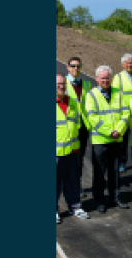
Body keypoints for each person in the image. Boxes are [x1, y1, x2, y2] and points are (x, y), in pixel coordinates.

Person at [83, 65, 131, 213]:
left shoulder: (118, 93)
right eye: (102, 78)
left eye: (107, 77)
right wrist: (110, 132)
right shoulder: (91, 95)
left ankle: (115, 198)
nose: (105, 80)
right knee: (99, 172)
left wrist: (119, 130)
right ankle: (100, 201)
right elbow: (92, 118)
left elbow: (125, 113)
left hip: (116, 140)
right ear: (97, 79)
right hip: (100, 141)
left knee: (115, 171)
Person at [56, 75, 90, 223]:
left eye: (63, 84)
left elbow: (76, 124)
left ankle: (75, 206)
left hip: (73, 150)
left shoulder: (73, 103)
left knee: (73, 181)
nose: (61, 86)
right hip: (56, 152)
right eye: (58, 84)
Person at [65, 57, 92, 199]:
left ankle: (76, 186)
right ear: (67, 67)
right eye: (73, 66)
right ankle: (63, 186)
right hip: (67, 127)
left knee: (79, 159)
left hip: (82, 127)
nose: (75, 68)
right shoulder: (62, 83)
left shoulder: (86, 84)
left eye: (78, 66)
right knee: (64, 158)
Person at [113, 54, 132, 174]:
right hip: (124, 114)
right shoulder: (118, 78)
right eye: (127, 63)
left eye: (131, 63)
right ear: (122, 65)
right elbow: (115, 97)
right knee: (123, 141)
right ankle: (122, 163)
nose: (129, 65)